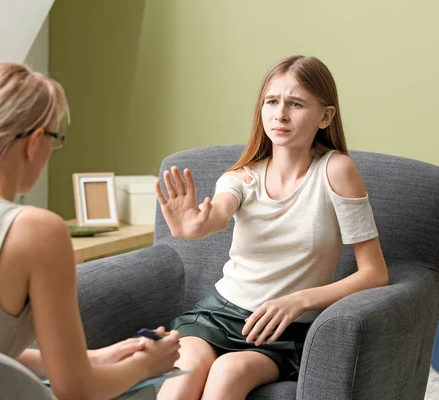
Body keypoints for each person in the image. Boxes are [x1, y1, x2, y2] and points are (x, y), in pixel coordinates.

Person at [155, 55, 389, 400]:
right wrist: (193, 226)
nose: (280, 114)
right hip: (218, 314)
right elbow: (217, 215)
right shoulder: (241, 177)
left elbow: (375, 273)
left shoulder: (336, 171)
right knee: (180, 381)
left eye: (295, 104)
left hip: (283, 330)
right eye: (272, 101)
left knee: (227, 374)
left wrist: (300, 300)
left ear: (325, 116)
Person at [0, 63, 181, 400]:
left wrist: (93, 358)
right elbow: (77, 391)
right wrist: (148, 364)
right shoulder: (36, 232)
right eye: (55, 138)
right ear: (34, 141)